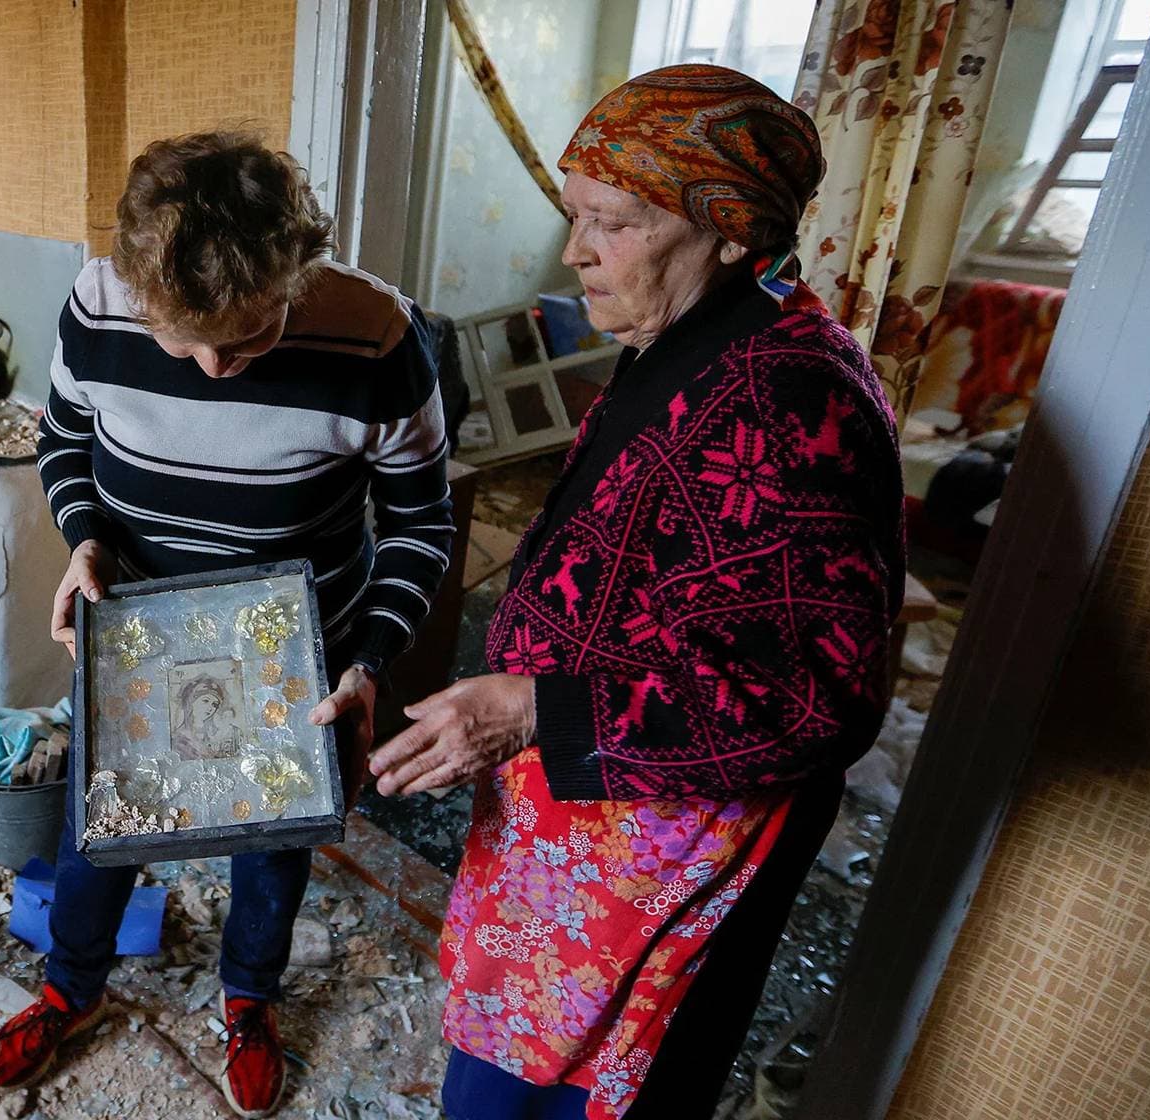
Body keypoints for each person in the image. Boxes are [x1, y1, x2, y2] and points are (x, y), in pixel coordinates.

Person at [367, 66, 905, 1120]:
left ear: (731, 230)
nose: (576, 252)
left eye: (610, 222)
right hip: (586, 823)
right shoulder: (695, 331)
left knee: (593, 1096)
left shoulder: (794, 398)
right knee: (506, 1072)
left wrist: (534, 706)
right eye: (575, 217)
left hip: (665, 855)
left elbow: (820, 699)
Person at [0, 130, 453, 1119]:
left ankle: (249, 999)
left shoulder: (376, 334)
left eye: (247, 335)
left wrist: (369, 659)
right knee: (100, 820)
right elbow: (64, 437)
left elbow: (420, 520)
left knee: (272, 839)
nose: (211, 364)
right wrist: (84, 543)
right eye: (179, 339)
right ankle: (72, 984)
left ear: (298, 266)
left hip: (295, 639)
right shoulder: (98, 298)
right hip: (136, 624)